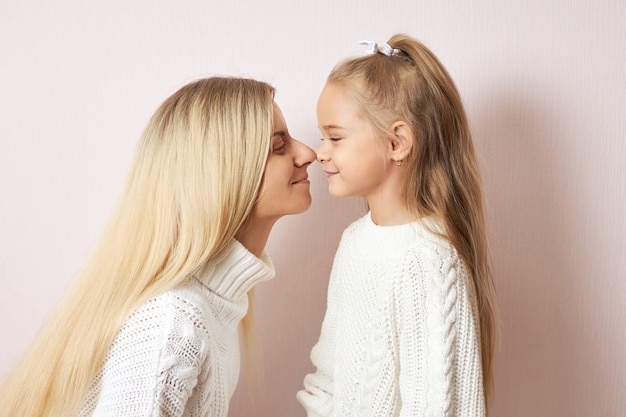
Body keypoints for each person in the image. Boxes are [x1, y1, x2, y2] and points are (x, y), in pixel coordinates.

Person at [0, 76, 316, 417]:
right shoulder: (175, 322)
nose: (309, 153)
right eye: (277, 145)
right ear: (224, 173)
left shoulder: (214, 307)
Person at [297, 34, 498, 416]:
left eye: (335, 137)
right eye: (323, 137)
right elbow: (326, 378)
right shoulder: (355, 241)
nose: (320, 152)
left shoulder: (429, 263)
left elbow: (437, 407)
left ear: (396, 143)